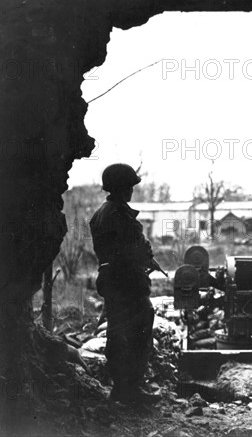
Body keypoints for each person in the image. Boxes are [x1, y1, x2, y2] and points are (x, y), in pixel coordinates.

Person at [89, 163, 162, 404]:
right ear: (122, 188)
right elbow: (134, 249)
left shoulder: (101, 213)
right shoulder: (119, 215)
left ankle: (121, 388)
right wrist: (147, 257)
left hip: (112, 281)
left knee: (117, 331)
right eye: (129, 186)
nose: (132, 190)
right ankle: (131, 389)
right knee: (138, 332)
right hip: (127, 282)